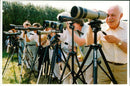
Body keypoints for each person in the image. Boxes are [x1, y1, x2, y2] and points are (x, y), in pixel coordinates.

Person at [86, 5, 127, 84]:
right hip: (104, 66)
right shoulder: (102, 28)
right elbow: (89, 43)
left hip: (123, 68)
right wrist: (90, 25)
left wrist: (117, 41)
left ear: (121, 16)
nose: (109, 18)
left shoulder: (127, 28)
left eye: (113, 15)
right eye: (107, 15)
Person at [66, 18, 93, 84]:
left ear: (79, 23)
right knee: (82, 79)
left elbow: (81, 42)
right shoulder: (75, 31)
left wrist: (70, 31)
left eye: (72, 24)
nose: (71, 26)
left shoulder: (87, 28)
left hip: (91, 58)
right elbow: (75, 46)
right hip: (82, 59)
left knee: (89, 80)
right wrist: (75, 53)